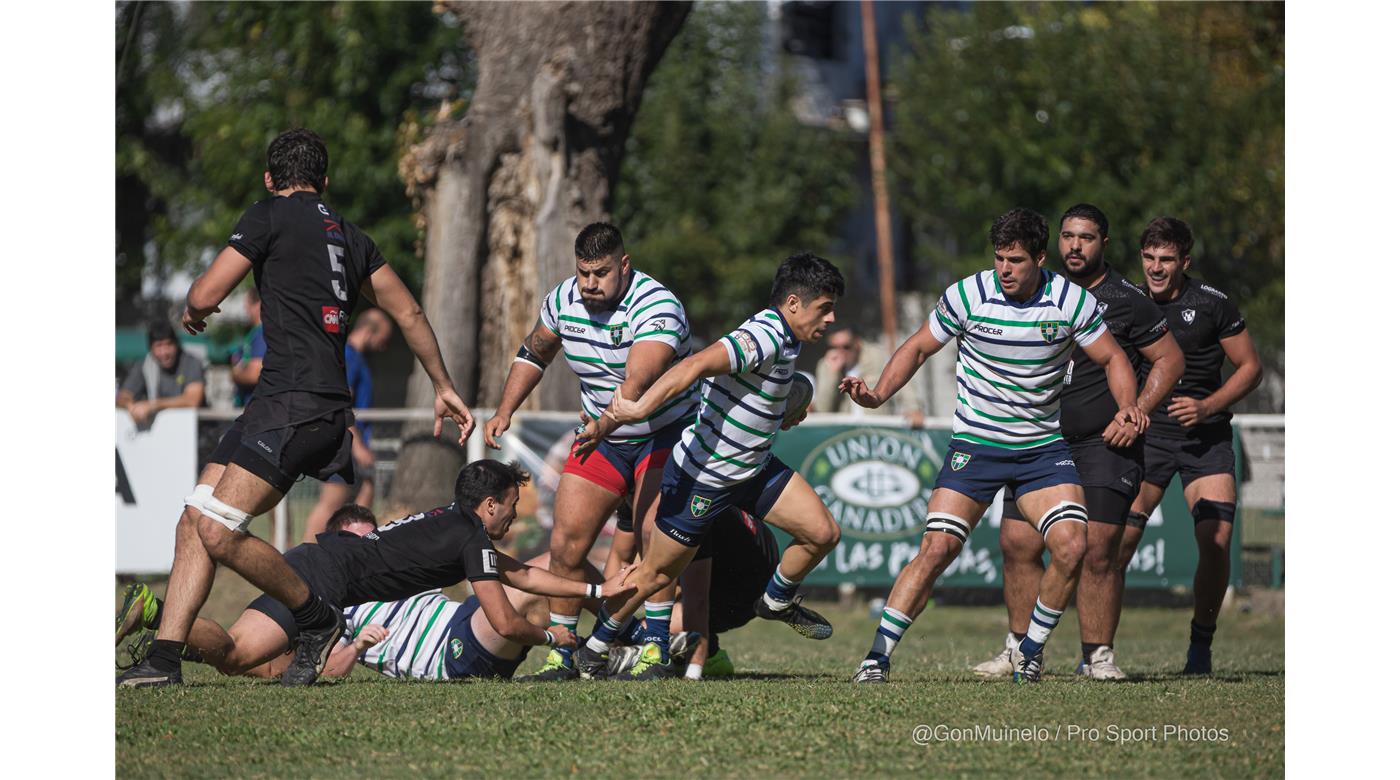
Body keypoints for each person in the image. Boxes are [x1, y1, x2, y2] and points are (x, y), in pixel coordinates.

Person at [116, 128, 474, 688]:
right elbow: (409, 313)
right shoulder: (352, 237)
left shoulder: (266, 216)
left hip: (296, 405)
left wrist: (193, 311)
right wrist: (443, 384)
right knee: (195, 520)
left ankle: (316, 616)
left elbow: (206, 294)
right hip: (282, 404)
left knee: (217, 528)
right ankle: (163, 661)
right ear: (324, 181)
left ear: (269, 179)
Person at [840, 208, 1147, 684]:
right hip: (976, 444)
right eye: (999, 258)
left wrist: (1127, 406)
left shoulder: (1071, 301)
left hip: (1041, 450)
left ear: (1040, 259)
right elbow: (918, 347)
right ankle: (875, 659)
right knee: (937, 548)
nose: (1004, 269)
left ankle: (1030, 652)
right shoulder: (967, 294)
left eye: (1016, 260)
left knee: (1072, 545)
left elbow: (1113, 358)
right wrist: (878, 394)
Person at [571, 252, 845, 680]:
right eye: (825, 308)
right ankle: (595, 647)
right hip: (702, 479)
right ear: (793, 303)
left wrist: (792, 402)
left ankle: (775, 600)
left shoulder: (788, 339)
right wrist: (637, 408)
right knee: (654, 574)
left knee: (823, 533)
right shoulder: (763, 335)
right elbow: (694, 365)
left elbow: (778, 389)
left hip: (753, 469)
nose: (830, 319)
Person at [114, 460, 635, 681]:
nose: (515, 518)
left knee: (234, 655)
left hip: (310, 560)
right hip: (325, 583)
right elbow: (503, 619)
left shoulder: (451, 523)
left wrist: (595, 589)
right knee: (246, 657)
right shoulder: (470, 538)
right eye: (513, 507)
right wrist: (552, 636)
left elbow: (521, 575)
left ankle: (156, 612)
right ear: (491, 505)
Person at [974, 204, 1185, 680]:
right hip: (1040, 439)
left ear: (1103, 244)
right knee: (1017, 543)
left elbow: (1170, 360)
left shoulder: (1128, 300)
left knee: (1098, 550)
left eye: (1086, 237)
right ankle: (1020, 650)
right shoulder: (1036, 290)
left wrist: (1136, 412)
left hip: (1103, 444)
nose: (1075, 245)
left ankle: (1098, 656)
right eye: (1068, 236)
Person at [482, 223, 698, 681]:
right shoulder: (562, 300)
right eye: (583, 273)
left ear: (625, 265)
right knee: (565, 543)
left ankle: (656, 649)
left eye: (601, 273)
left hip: (664, 432)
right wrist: (504, 410)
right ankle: (563, 651)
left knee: (653, 538)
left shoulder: (657, 304)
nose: (590, 284)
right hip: (604, 437)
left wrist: (602, 424)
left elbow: (637, 384)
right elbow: (534, 352)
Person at [1116, 217, 1261, 676]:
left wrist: (1207, 406)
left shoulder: (1212, 303)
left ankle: (1201, 646)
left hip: (1205, 440)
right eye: (1149, 258)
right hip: (1149, 438)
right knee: (1117, 541)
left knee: (1215, 542)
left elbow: (1250, 367)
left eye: (1166, 259)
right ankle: (1098, 651)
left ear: (1185, 262)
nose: (1156, 268)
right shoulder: (1128, 300)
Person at [605, 507, 781, 680]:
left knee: (640, 629)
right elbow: (619, 558)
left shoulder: (688, 515)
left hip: (746, 587)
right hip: (729, 556)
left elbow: (697, 599)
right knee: (621, 629)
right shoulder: (635, 497)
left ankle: (708, 654)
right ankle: (696, 649)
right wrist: (604, 631)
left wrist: (693, 672)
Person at [302, 308, 395, 542]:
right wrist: (358, 446)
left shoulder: (359, 359)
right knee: (331, 504)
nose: (384, 346)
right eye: (383, 339)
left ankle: (353, 552)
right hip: (343, 443)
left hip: (355, 442)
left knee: (364, 498)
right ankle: (304, 556)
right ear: (370, 331)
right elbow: (341, 404)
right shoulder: (348, 356)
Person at [811, 326, 920, 420]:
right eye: (834, 347)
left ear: (857, 343)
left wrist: (913, 409)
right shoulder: (826, 364)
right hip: (845, 432)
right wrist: (832, 376)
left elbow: (900, 381)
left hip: (877, 426)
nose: (840, 352)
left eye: (846, 347)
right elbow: (822, 410)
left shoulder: (878, 356)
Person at [117, 320, 206, 427]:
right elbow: (123, 396)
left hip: (195, 429)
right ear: (150, 348)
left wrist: (153, 405)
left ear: (176, 344)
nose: (164, 352)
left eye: (168, 344)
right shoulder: (144, 365)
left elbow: (192, 401)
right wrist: (131, 407)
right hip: (161, 431)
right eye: (159, 346)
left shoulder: (191, 362)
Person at [230, 288, 265, 407]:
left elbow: (254, 375)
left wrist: (235, 374)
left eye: (248, 303)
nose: (246, 308)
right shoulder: (254, 333)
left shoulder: (262, 333)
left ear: (258, 304)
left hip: (257, 407)